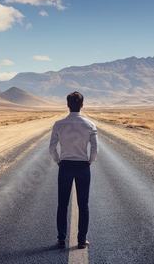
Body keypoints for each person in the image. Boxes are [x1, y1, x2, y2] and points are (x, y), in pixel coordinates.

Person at [49, 91, 98, 249]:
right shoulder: (90, 124)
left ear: (68, 105)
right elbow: (95, 149)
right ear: (82, 105)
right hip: (83, 166)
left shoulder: (59, 124)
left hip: (65, 166)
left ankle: (61, 239)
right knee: (83, 204)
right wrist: (89, 162)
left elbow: (52, 148)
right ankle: (82, 240)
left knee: (62, 204)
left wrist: (59, 161)